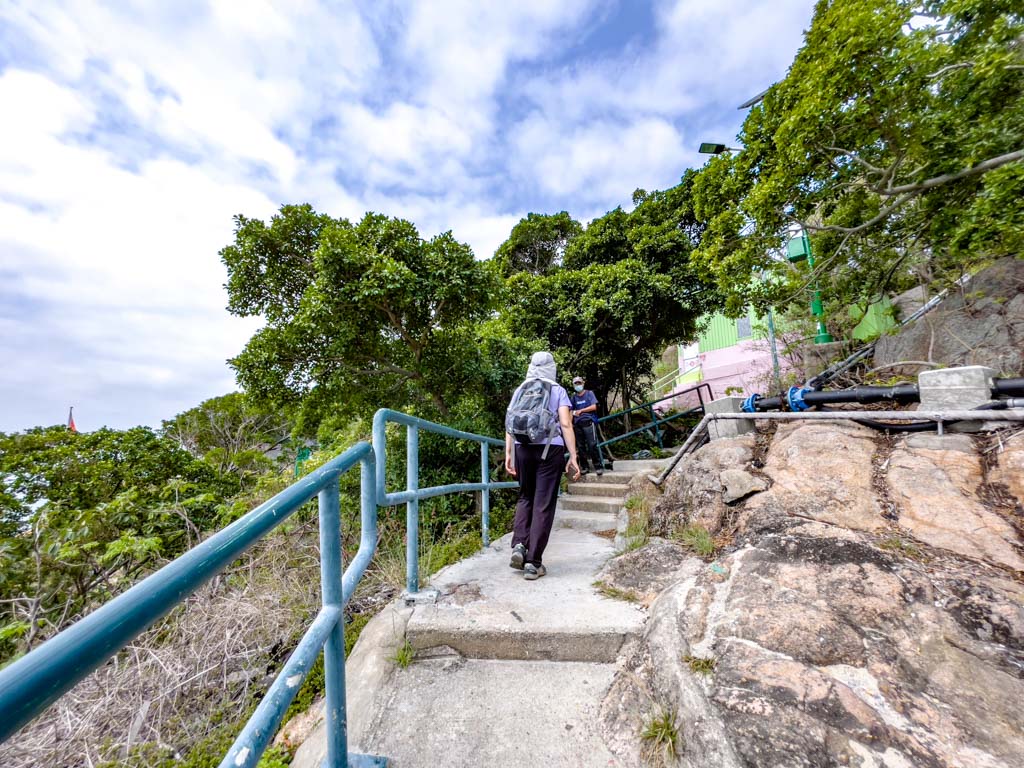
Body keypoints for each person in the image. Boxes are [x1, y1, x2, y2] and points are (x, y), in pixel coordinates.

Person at [504, 352, 581, 580]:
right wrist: (573, 456)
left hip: (523, 448)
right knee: (543, 504)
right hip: (550, 449)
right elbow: (566, 424)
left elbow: (510, 421)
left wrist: (509, 452)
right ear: (552, 368)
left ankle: (519, 544)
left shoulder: (521, 389)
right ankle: (533, 563)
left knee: (525, 497)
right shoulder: (557, 390)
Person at [570, 376, 603, 476]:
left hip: (589, 422)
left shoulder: (589, 394)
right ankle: (584, 467)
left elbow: (594, 406)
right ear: (573, 385)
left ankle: (598, 466)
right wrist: (570, 423)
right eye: (576, 384)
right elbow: (571, 411)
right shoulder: (574, 397)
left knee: (592, 445)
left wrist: (582, 410)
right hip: (578, 424)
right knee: (580, 447)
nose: (578, 385)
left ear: (583, 383)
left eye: (579, 383)